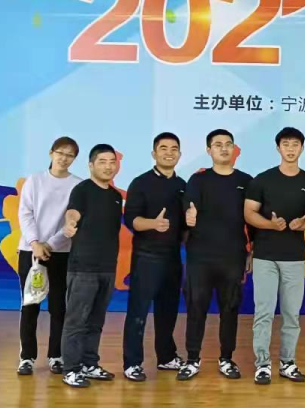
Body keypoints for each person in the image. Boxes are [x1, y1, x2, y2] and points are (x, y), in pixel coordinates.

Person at [244, 127, 305, 385]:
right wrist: (270, 225)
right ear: (278, 148)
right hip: (265, 256)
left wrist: (303, 225)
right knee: (263, 313)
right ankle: (262, 364)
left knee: (291, 314)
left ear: (302, 148)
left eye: (295, 144)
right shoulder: (262, 180)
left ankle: (288, 362)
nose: (290, 148)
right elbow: (249, 213)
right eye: (286, 144)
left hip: (295, 258)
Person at [178, 129, 252, 381]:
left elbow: (251, 219)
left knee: (230, 309)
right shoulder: (198, 180)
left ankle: (226, 358)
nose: (223, 148)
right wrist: (189, 217)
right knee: (196, 307)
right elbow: (188, 209)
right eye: (217, 144)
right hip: (201, 256)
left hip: (233, 255)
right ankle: (192, 359)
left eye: (228, 144)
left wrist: (252, 250)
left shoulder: (246, 181)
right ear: (209, 150)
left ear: (234, 149)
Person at [121, 133, 186, 381]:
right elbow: (131, 220)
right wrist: (153, 224)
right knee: (138, 311)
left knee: (168, 310)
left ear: (179, 154)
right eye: (163, 148)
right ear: (154, 153)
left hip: (173, 257)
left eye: (174, 148)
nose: (169, 152)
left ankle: (166, 357)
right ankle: (132, 363)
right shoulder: (140, 183)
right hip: (146, 256)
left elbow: (185, 225)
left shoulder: (183, 185)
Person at [16, 137, 81, 376]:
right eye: (60, 153)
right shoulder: (34, 181)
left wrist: (50, 245)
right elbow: (25, 213)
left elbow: (71, 223)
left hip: (60, 252)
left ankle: (56, 355)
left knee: (58, 306)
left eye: (70, 155)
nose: (64, 158)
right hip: (30, 251)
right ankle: (26, 358)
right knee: (30, 305)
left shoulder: (77, 186)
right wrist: (35, 243)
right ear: (51, 153)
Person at [60, 144, 124, 388]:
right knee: (77, 321)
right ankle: (71, 369)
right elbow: (73, 212)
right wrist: (70, 224)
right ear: (90, 165)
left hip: (107, 267)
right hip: (83, 268)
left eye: (112, 162)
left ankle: (89, 364)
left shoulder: (115, 196)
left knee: (96, 321)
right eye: (102, 162)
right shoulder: (82, 189)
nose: (108, 166)